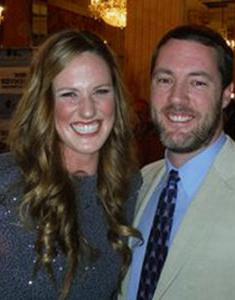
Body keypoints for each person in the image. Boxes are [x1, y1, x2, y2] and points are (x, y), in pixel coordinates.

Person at [121, 25, 235, 300]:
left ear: (226, 94)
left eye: (198, 82)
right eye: (165, 80)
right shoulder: (141, 182)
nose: (177, 98)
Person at [0, 30, 141, 299]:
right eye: (69, 94)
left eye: (100, 91)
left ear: (117, 99)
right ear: (45, 103)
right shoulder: (5, 183)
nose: (88, 110)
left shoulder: (132, 188)